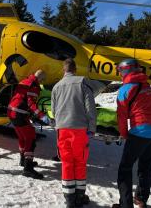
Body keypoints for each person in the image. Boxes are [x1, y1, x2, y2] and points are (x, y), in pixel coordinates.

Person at [112, 59, 151, 208]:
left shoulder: (125, 89)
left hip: (141, 131)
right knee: (145, 167)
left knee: (125, 168)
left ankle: (125, 205)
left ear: (124, 71)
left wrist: (124, 134)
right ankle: (141, 200)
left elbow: (121, 116)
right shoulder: (146, 85)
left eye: (120, 71)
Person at [51, 58, 97, 208]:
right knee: (80, 162)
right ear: (75, 69)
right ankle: (79, 196)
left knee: (67, 163)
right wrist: (91, 129)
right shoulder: (82, 82)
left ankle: (70, 199)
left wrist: (57, 125)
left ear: (64, 70)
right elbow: (90, 108)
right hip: (80, 129)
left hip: (62, 129)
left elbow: (54, 111)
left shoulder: (56, 87)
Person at [7, 69, 49, 179]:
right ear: (40, 79)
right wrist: (41, 116)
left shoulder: (24, 81)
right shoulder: (33, 86)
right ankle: (28, 168)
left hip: (11, 111)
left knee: (22, 136)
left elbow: (20, 98)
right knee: (30, 137)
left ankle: (23, 160)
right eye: (43, 80)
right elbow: (31, 104)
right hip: (19, 113)